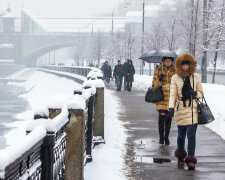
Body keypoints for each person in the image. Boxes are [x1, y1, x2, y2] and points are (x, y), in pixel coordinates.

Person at [169, 53, 203, 170]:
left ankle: (191, 158)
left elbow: (201, 94)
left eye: (187, 64)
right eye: (183, 64)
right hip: (180, 109)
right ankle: (180, 155)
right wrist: (171, 107)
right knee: (181, 136)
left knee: (192, 135)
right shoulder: (175, 77)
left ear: (191, 65)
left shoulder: (196, 77)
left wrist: (194, 93)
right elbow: (173, 94)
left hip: (193, 109)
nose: (185, 67)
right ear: (179, 65)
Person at [152, 57, 176, 145]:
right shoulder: (159, 70)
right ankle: (161, 137)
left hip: (171, 98)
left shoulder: (175, 70)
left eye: (169, 60)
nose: (168, 62)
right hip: (161, 97)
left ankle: (167, 137)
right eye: (166, 60)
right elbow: (154, 85)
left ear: (172, 61)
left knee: (169, 118)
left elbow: (179, 83)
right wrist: (159, 80)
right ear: (163, 61)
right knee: (162, 118)